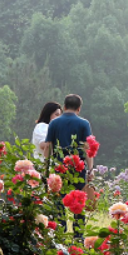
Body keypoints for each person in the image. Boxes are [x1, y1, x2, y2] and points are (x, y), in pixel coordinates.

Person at [44, 94, 94, 235]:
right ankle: (78, 237)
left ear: (64, 106)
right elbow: (88, 148)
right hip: (78, 169)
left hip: (59, 168)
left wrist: (46, 169)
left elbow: (48, 146)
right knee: (78, 203)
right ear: (79, 109)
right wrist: (90, 170)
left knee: (58, 202)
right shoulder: (84, 124)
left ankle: (60, 233)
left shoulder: (54, 123)